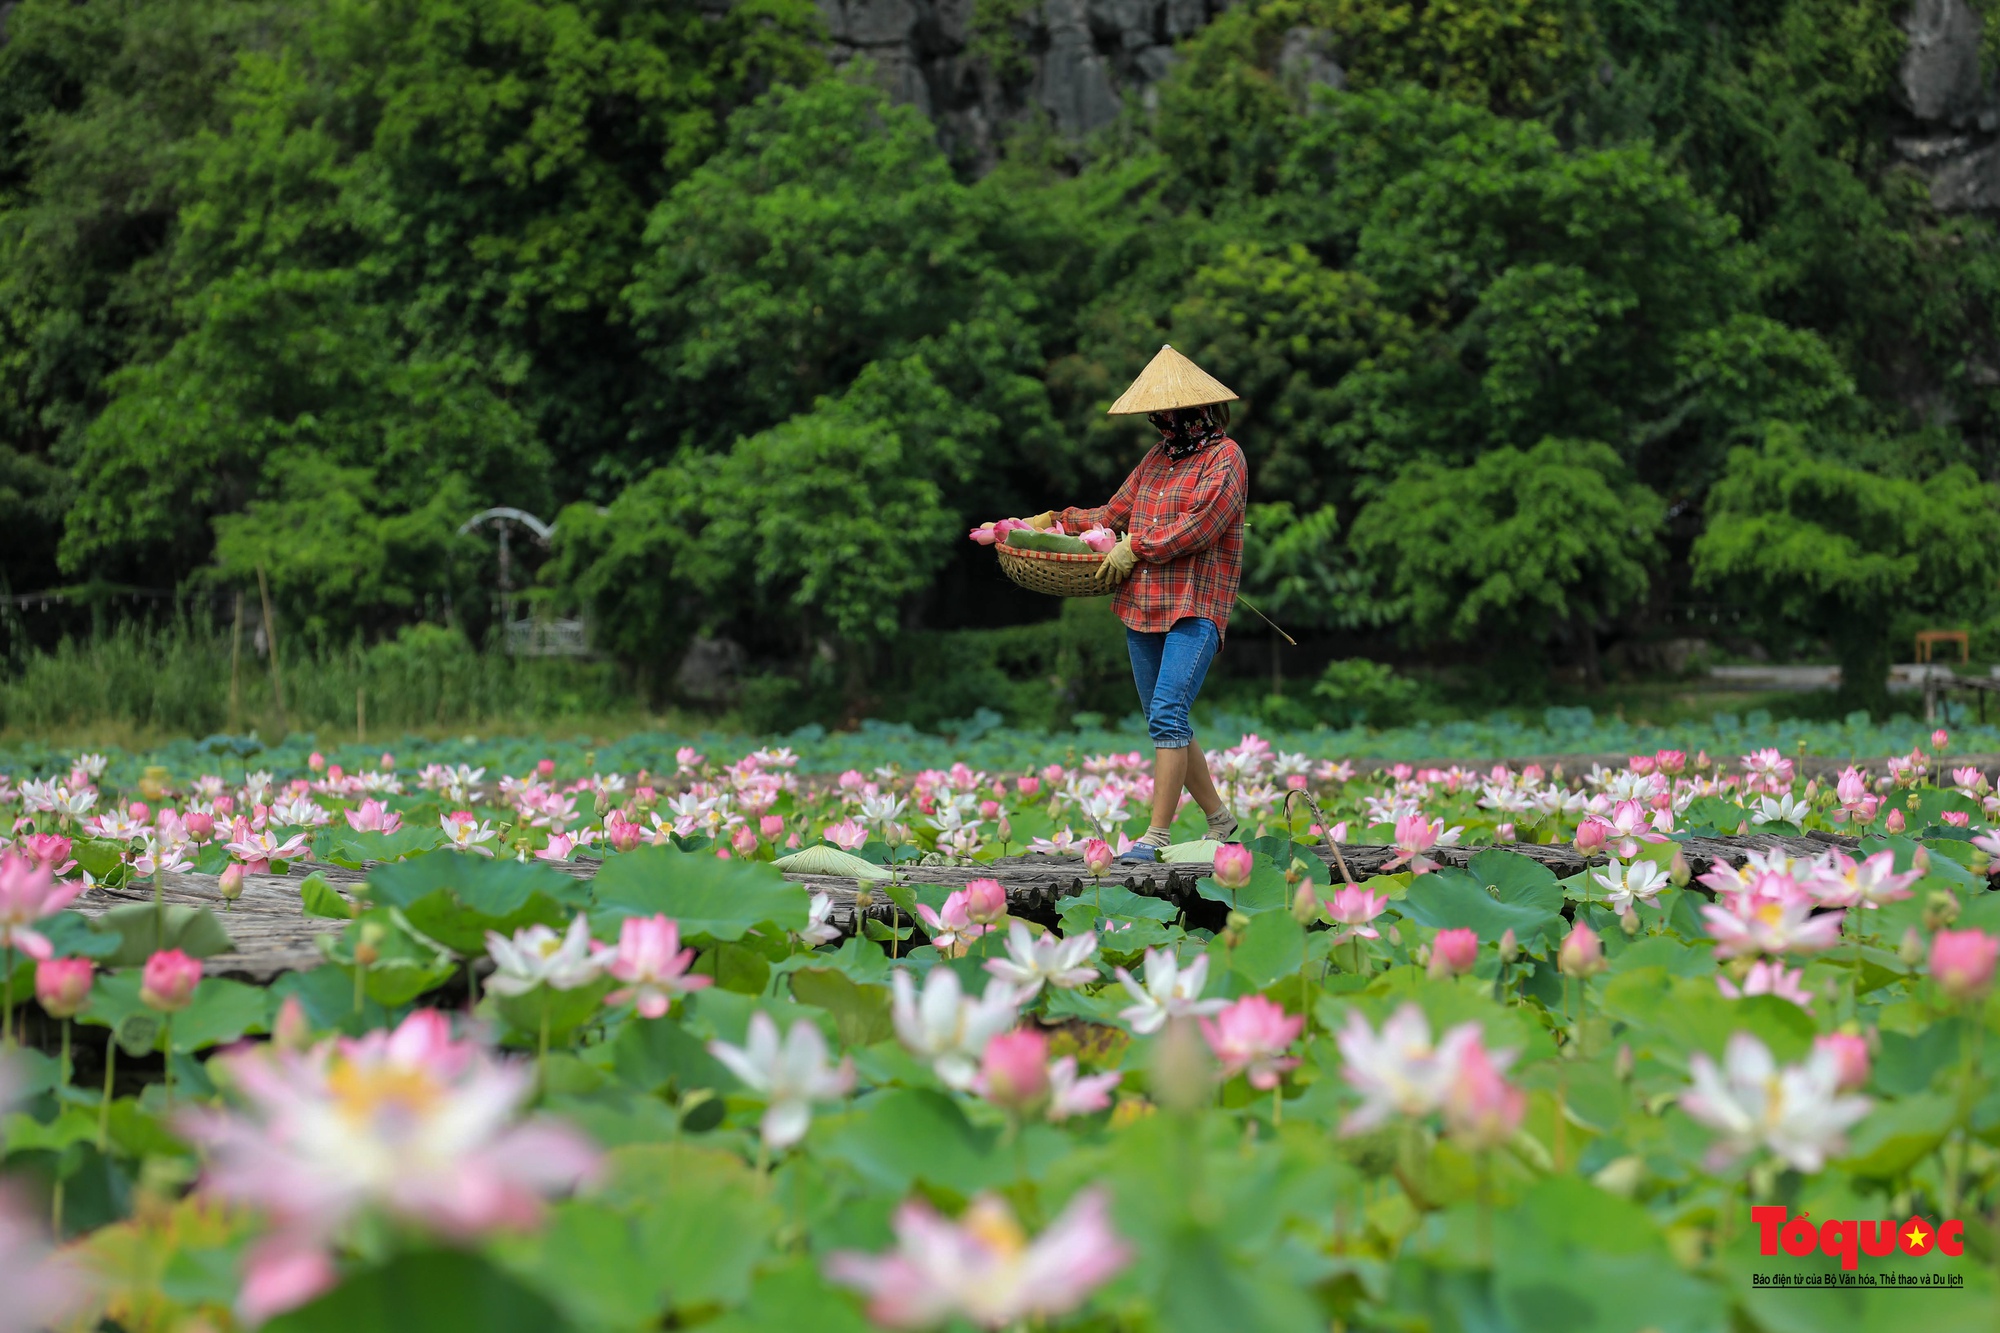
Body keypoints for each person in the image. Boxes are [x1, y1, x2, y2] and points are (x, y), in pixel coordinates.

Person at [1026, 345, 1247, 861]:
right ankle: (1220, 820)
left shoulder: (1226, 457)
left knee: (1168, 713)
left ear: (1199, 411)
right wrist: (1055, 519)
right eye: (1159, 416)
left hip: (1195, 604)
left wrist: (1138, 546)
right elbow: (1114, 511)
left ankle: (1156, 837)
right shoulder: (1154, 461)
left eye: (1172, 414)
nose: (1164, 422)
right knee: (1163, 719)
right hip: (1143, 602)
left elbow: (1202, 525)